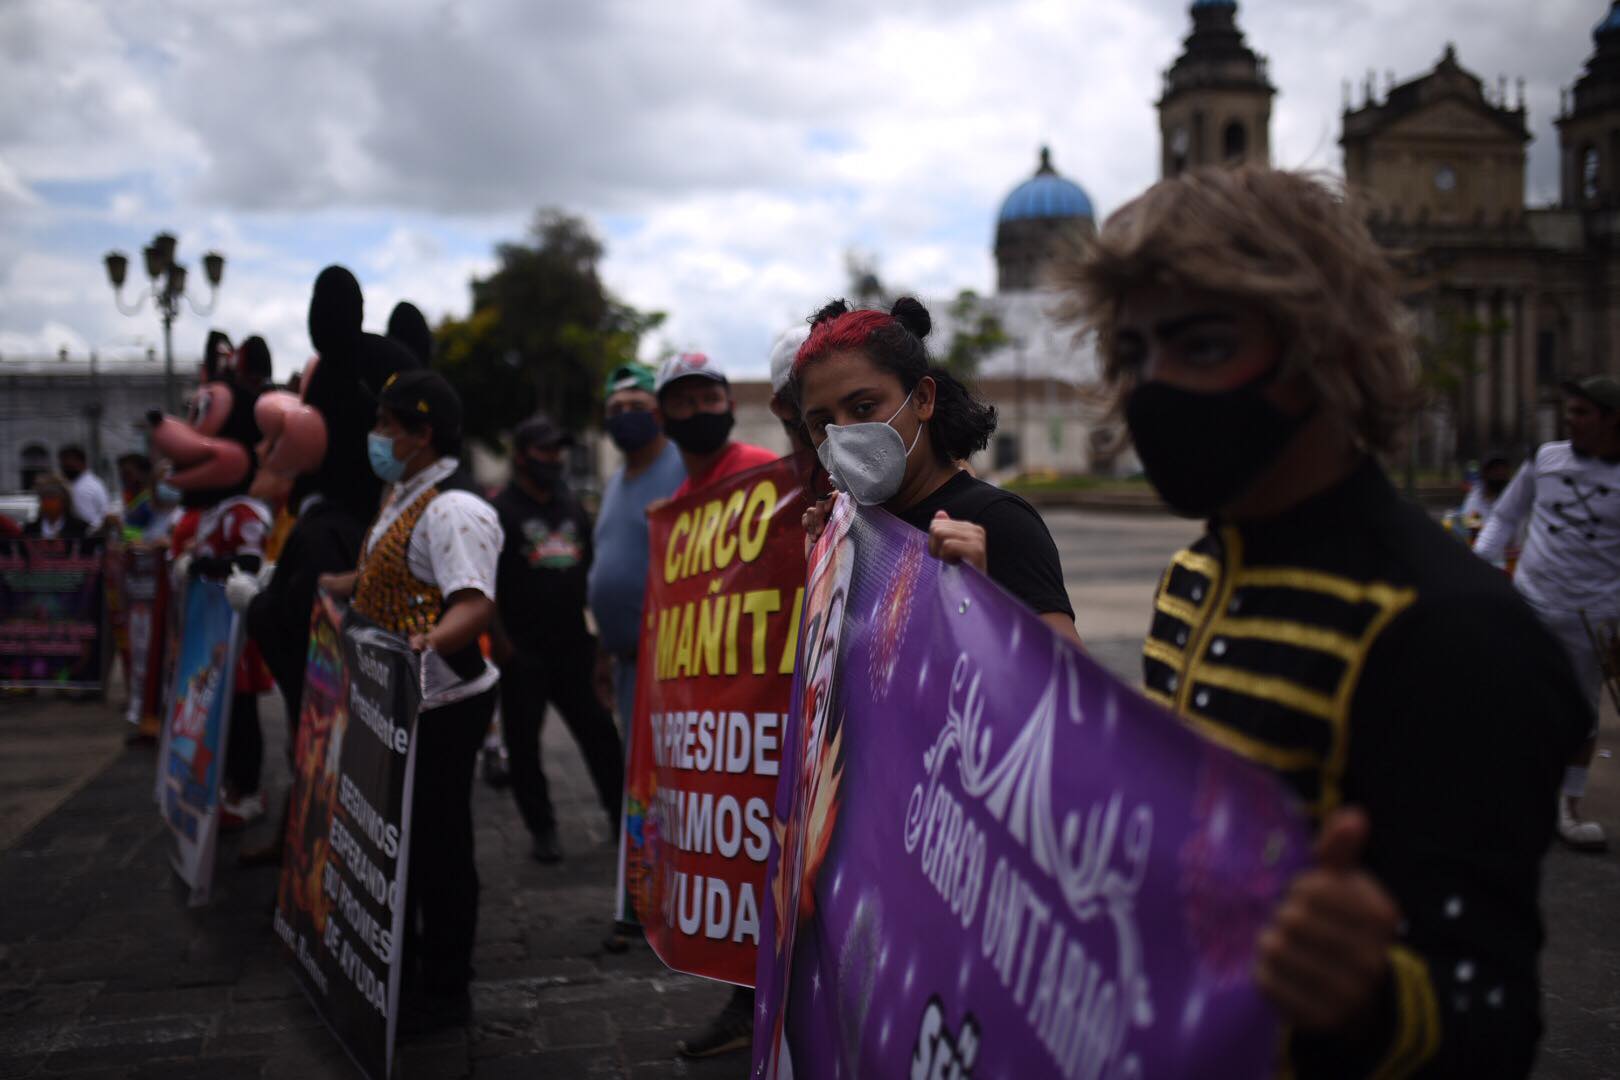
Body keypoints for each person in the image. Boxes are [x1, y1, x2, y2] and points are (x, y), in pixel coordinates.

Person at [1059, 165, 1588, 1075]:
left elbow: (1489, 1019)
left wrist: (1363, 999)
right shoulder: (1195, 576)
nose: (1155, 389)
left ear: (1325, 352)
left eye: (1205, 345)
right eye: (1136, 354)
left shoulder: (1452, 635)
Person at [319, 370, 501, 1034]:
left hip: (444, 699)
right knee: (403, 835)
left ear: (421, 434)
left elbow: (474, 601)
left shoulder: (455, 509)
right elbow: (380, 572)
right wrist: (334, 585)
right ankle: (410, 959)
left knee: (438, 840)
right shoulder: (403, 493)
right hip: (397, 699)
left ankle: (447, 984)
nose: (376, 436)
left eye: (385, 425)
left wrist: (425, 640)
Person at [794, 298, 1079, 644]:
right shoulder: (845, 529)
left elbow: (1065, 686)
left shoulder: (996, 524)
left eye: (864, 407)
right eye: (822, 423)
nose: (842, 434)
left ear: (922, 399)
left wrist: (982, 608)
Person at [1476, 376, 1620, 851]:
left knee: (1581, 715)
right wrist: (1477, 569)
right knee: (1510, 700)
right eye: (1569, 411)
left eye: (1582, 413)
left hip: (1594, 617)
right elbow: (1504, 515)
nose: (1570, 420)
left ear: (1610, 420)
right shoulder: (1545, 459)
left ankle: (1569, 805)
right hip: (1531, 601)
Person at [490, 414, 625, 864]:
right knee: (524, 747)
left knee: (601, 736)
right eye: (544, 450)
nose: (554, 459)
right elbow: (483, 585)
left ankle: (620, 816)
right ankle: (542, 829)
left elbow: (593, 570)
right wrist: (503, 645)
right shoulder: (501, 511)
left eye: (558, 450)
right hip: (522, 653)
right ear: (522, 455)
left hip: (574, 648)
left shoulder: (569, 505)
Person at [587, 363, 686, 748]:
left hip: (674, 667)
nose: (624, 416)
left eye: (635, 405)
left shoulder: (683, 467)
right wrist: (603, 649)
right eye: (615, 409)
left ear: (657, 411)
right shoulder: (613, 483)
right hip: (626, 665)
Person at [658, 352, 777, 501]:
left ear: (732, 406)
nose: (700, 409)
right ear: (660, 417)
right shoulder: (682, 502)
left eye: (711, 399)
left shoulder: (761, 469)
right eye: (683, 402)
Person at [57, 445, 109, 532]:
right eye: (62, 465)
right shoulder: (93, 481)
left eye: (68, 466)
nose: (64, 469)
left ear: (81, 462)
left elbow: (87, 525)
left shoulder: (81, 489)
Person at [24, 474, 89, 539]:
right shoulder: (30, 530)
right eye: (44, 497)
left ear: (64, 500)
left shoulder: (79, 528)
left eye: (52, 497)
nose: (48, 501)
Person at [116, 453, 156, 539]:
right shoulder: (132, 497)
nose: (123, 478)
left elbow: (153, 535)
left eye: (127, 473)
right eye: (121, 474)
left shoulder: (151, 501)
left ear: (143, 473)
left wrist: (121, 529)